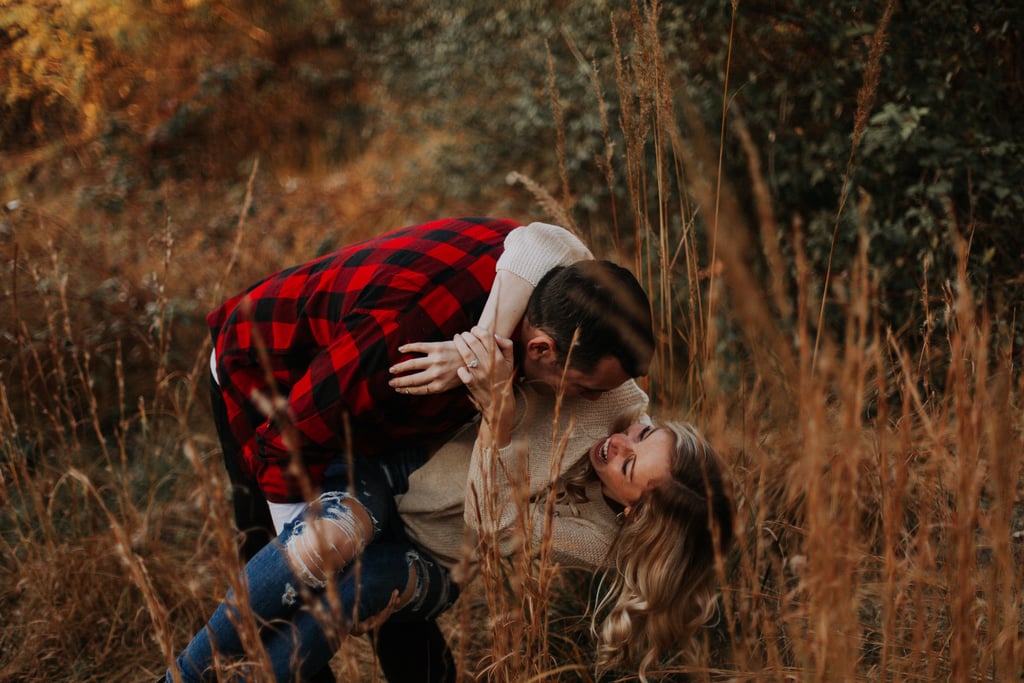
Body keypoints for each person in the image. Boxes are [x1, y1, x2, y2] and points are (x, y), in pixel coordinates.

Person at [166, 329, 734, 682]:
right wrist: (482, 342)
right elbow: (538, 242)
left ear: (633, 513)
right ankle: (184, 677)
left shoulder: (596, 540)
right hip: (393, 477)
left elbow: (488, 519)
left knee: (362, 587)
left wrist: (500, 417)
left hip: (440, 559)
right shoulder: (617, 396)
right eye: (645, 433)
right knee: (325, 540)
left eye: (629, 466)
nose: (620, 442)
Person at [206, 216, 638, 560]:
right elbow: (285, 445)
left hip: (364, 419)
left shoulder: (557, 290)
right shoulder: (402, 343)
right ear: (542, 350)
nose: (596, 401)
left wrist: (474, 353)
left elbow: (546, 241)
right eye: (587, 388)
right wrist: (309, 572)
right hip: (264, 369)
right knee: (272, 564)